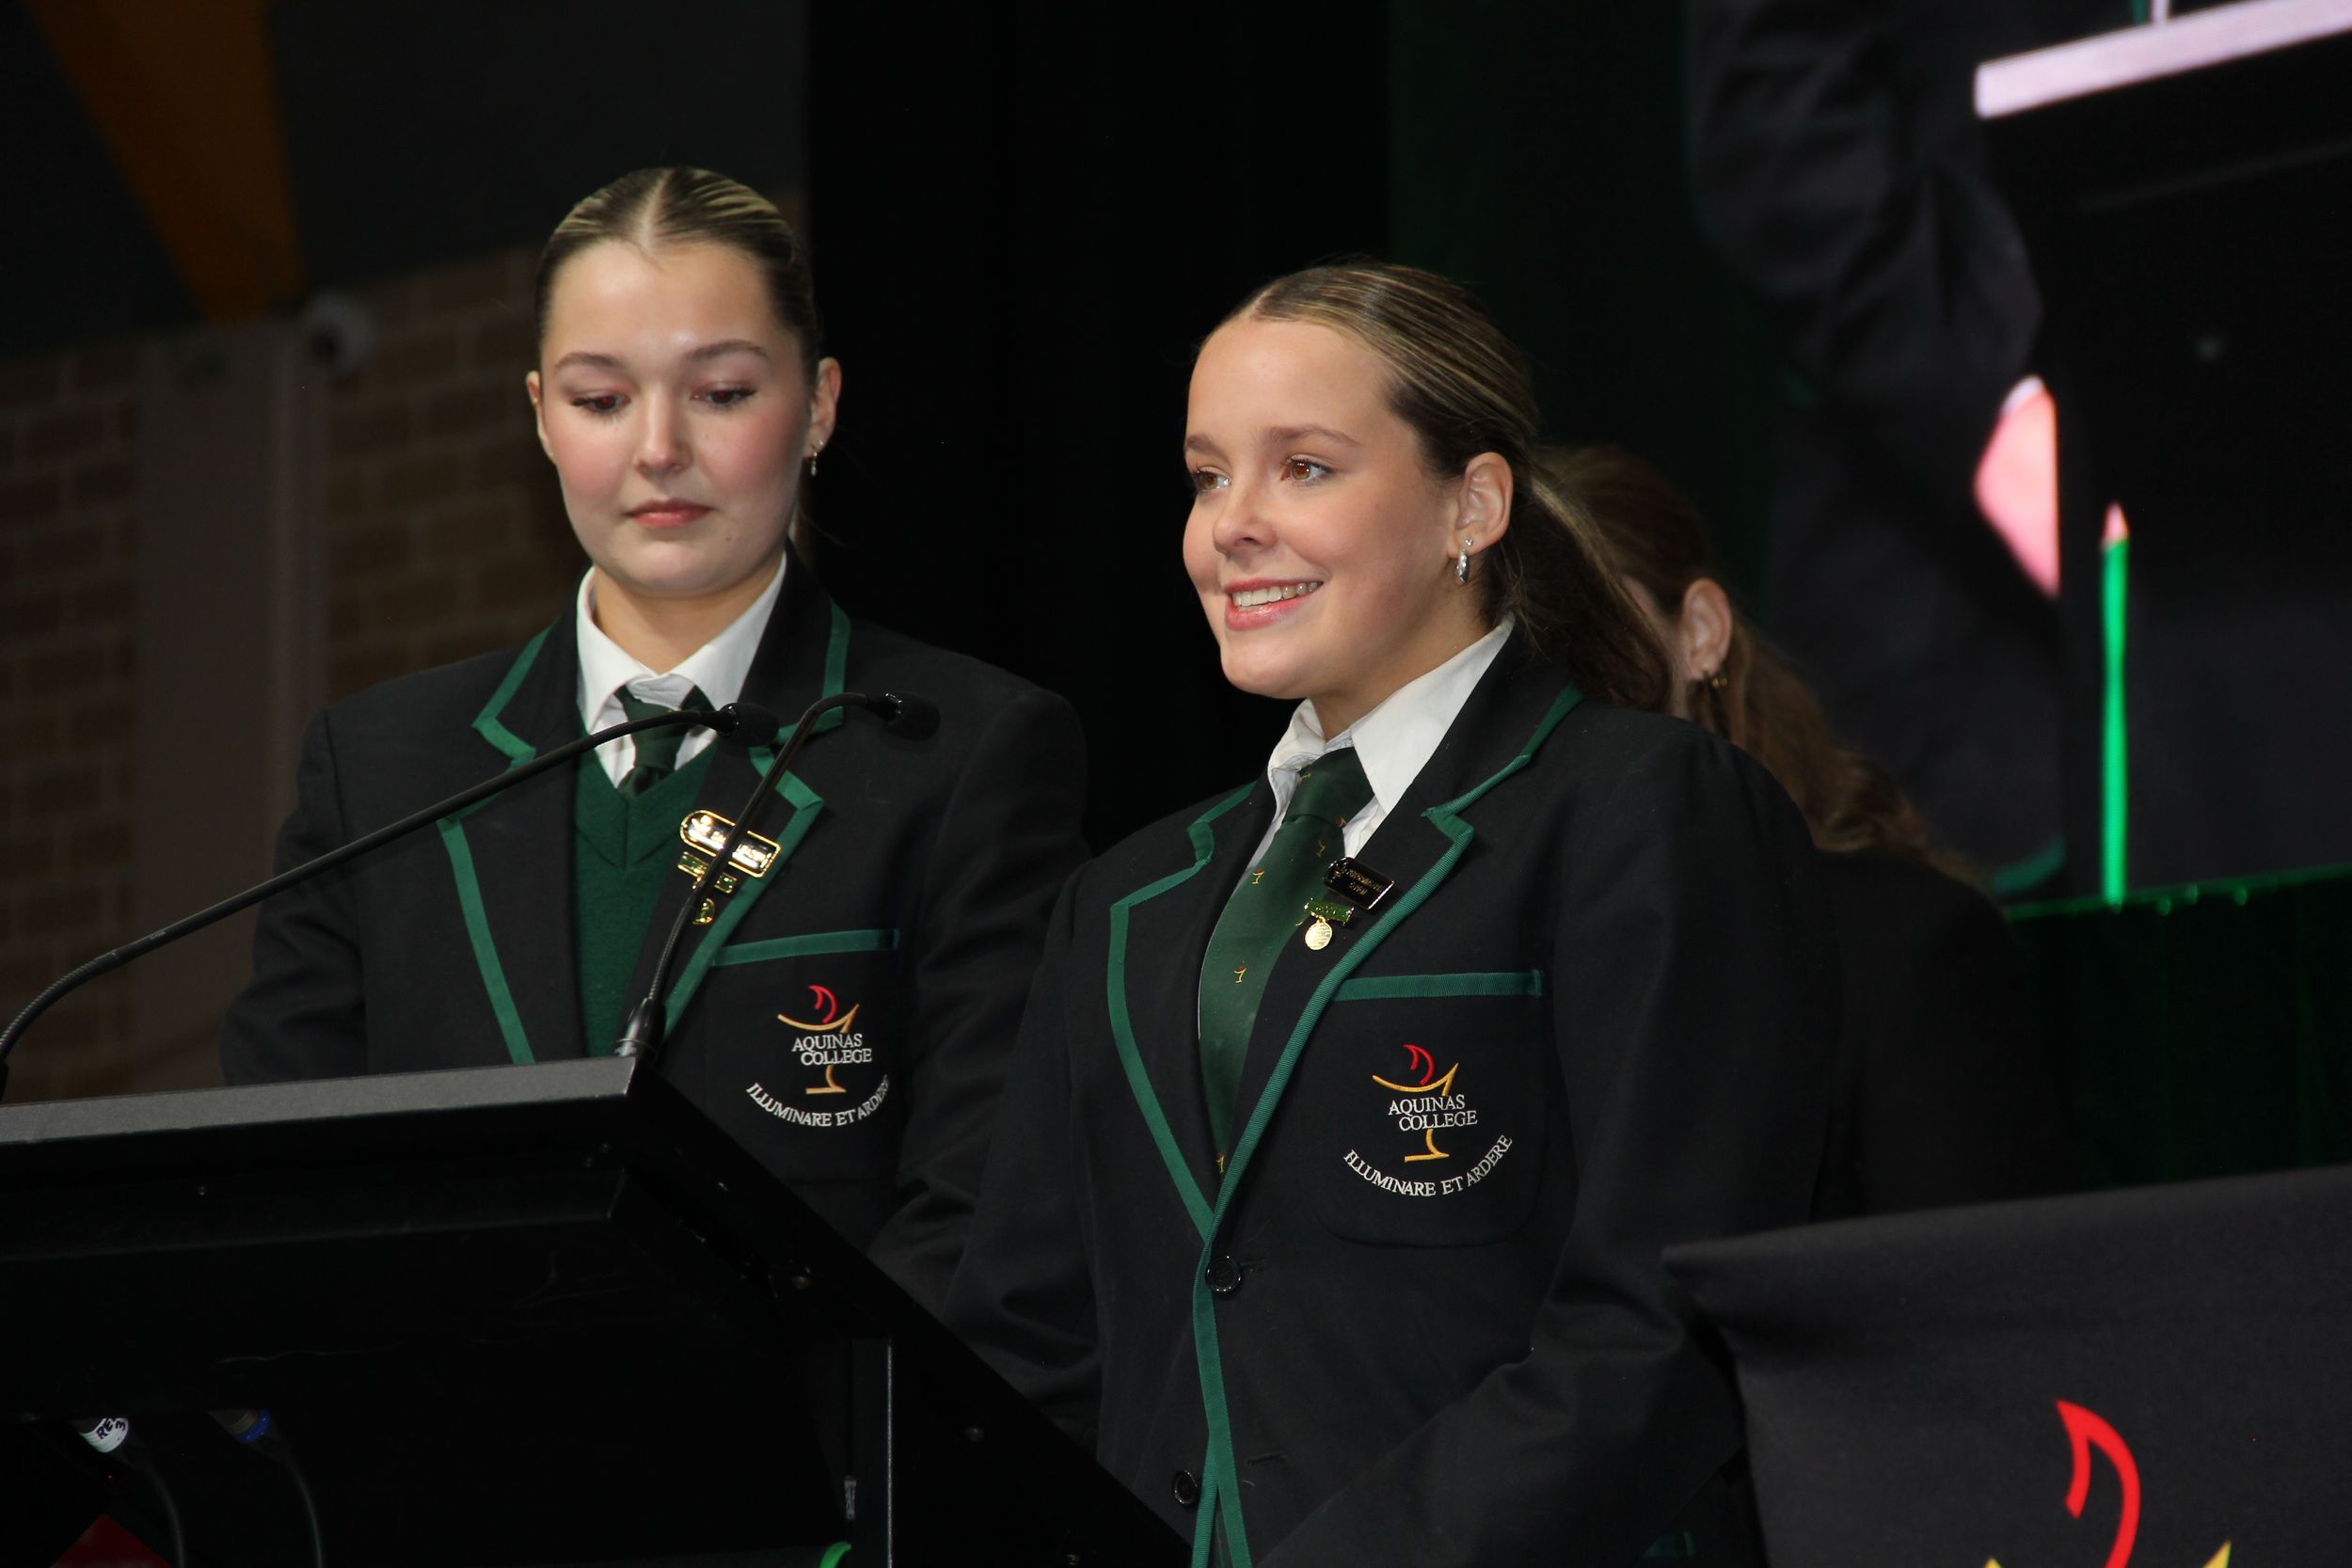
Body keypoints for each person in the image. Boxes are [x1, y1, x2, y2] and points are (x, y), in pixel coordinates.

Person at [948, 262, 1837, 1565]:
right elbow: (1026, 1347)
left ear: (1472, 504)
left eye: (1303, 467)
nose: (1233, 525)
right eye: (1206, 476)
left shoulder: (1640, 812)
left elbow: (1657, 1327)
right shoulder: (1123, 900)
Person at [220, 166, 1088, 1312]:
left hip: (805, 1418)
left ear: (818, 405)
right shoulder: (380, 769)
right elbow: (284, 1197)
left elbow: (983, 1207)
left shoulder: (960, 752)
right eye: (601, 399)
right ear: (540, 414)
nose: (659, 447)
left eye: (721, 392)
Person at [1549, 443, 2073, 1218]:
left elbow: (1976, 1279)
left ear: (1700, 632)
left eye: (1585, 627)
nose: (1546, 677)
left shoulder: (1897, 951)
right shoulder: (1464, 958)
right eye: (1499, 650)